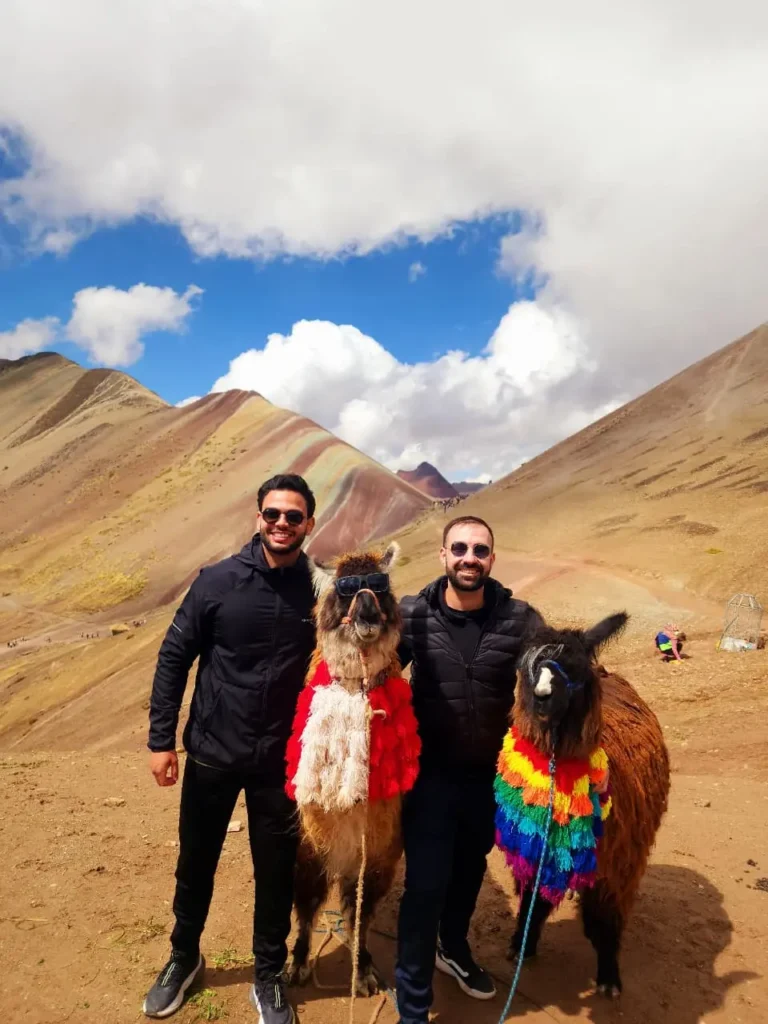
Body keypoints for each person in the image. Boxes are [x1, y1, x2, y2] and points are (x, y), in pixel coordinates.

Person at [143, 474, 318, 1024]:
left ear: (309, 524)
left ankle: (268, 976)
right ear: (258, 517)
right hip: (214, 752)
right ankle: (183, 957)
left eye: (293, 516)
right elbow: (175, 657)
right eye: (273, 513)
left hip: (281, 763)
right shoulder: (216, 582)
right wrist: (160, 741)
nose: (282, 524)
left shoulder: (321, 592)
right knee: (196, 861)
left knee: (276, 872)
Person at [394, 516, 544, 1024]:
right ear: (442, 555)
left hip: (491, 779)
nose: (469, 558)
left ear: (492, 560)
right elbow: (376, 668)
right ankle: (413, 1007)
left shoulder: (520, 619)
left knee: (469, 871)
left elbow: (549, 679)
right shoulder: (412, 615)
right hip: (429, 775)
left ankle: (452, 948)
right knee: (426, 885)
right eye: (459, 548)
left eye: (479, 550)